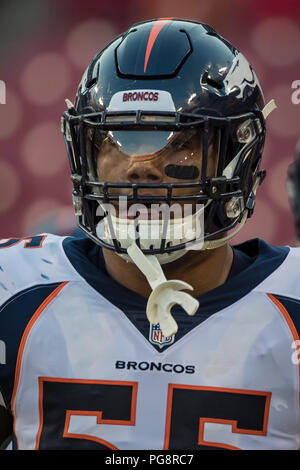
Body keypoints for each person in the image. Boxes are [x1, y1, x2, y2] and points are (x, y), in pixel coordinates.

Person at [0, 18, 299, 451]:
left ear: (238, 154)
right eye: (117, 138)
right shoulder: (15, 291)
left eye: (180, 141)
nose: (140, 165)